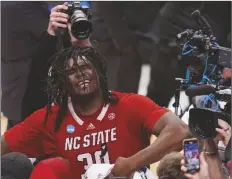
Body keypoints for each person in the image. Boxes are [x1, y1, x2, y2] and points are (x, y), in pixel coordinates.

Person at [1, 47, 189, 179]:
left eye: (85, 67)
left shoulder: (131, 104)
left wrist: (131, 164)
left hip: (127, 177)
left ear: (98, 73)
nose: (81, 74)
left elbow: (179, 131)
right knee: (48, 167)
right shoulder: (50, 117)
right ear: (63, 84)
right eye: (72, 71)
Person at [1, 2, 50, 128]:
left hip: (13, 87)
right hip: (28, 90)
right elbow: (52, 35)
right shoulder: (26, 5)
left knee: (14, 138)